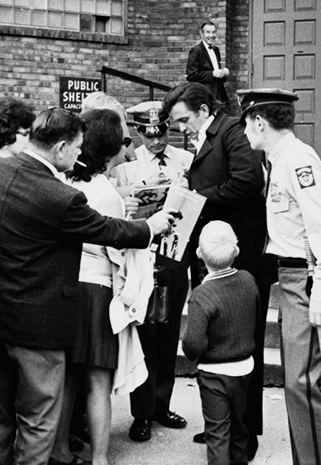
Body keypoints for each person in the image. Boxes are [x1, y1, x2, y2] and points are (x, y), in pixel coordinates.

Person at [0, 107, 176, 465]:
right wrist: (151, 227)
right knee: (39, 418)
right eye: (77, 148)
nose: (81, 155)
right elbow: (108, 229)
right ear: (61, 147)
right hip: (36, 325)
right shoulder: (59, 195)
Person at [240, 88, 321, 465]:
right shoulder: (280, 159)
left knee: (302, 384)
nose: (245, 133)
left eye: (246, 124)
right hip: (291, 277)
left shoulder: (298, 161)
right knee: (296, 383)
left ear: (258, 121)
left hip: (308, 279)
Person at [161, 82, 267, 458]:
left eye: (184, 120)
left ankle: (244, 433)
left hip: (237, 254)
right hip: (212, 251)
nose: (181, 129)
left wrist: (196, 197)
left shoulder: (232, 131)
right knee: (217, 338)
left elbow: (247, 180)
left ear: (204, 110)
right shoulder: (210, 134)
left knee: (241, 338)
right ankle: (222, 427)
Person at [50, 108, 150, 465]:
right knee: (98, 382)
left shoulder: (65, 183)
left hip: (66, 285)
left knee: (67, 379)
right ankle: (101, 458)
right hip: (96, 289)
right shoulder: (106, 192)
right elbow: (116, 247)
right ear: (109, 149)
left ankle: (59, 448)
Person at [112, 101, 194, 442]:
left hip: (175, 255)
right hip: (143, 257)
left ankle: (162, 404)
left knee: (168, 332)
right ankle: (142, 413)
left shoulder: (186, 161)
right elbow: (118, 214)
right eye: (149, 135)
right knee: (144, 335)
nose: (156, 141)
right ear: (139, 133)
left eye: (161, 133)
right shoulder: (126, 170)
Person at [183, 221, 260, 465]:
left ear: (198, 253)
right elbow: (254, 317)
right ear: (236, 251)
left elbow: (192, 344)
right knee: (239, 428)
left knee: (217, 433)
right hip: (245, 367)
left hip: (214, 374)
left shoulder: (202, 295)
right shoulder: (248, 279)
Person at [186, 22, 230, 107]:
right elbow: (191, 76)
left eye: (213, 32)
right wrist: (212, 74)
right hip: (205, 96)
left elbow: (216, 75)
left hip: (220, 95)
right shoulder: (196, 51)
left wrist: (223, 74)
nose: (211, 35)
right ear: (202, 34)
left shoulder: (216, 50)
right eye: (208, 32)